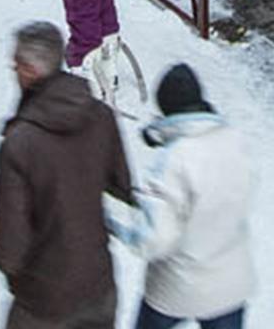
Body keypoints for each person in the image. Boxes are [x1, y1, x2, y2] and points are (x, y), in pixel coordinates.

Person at [0, 21, 132, 329]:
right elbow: (123, 185)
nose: (14, 71)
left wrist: (17, 277)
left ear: (29, 70)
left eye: (16, 65)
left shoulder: (20, 142)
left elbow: (11, 242)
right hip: (98, 285)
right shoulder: (100, 116)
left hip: (44, 299)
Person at [108, 64, 254, 329]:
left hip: (177, 287)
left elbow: (152, 239)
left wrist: (110, 217)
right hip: (231, 286)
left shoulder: (176, 159)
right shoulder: (234, 140)